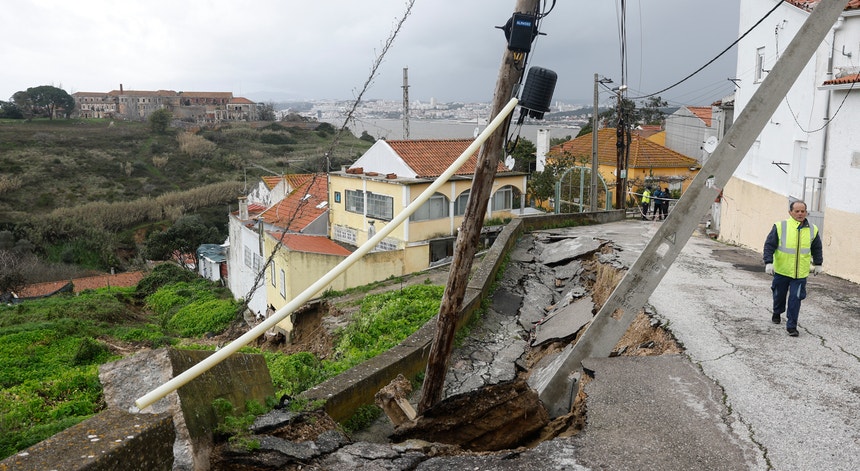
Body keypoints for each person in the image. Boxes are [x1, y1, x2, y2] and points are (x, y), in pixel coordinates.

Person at [762, 200, 823, 336]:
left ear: (806, 212)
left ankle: (791, 326)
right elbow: (769, 245)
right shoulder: (780, 226)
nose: (800, 214)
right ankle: (777, 312)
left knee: (796, 298)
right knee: (779, 295)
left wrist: (818, 264)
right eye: (797, 211)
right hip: (782, 270)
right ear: (790, 212)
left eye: (803, 211)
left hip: (800, 273)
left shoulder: (813, 229)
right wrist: (768, 262)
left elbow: (817, 248)